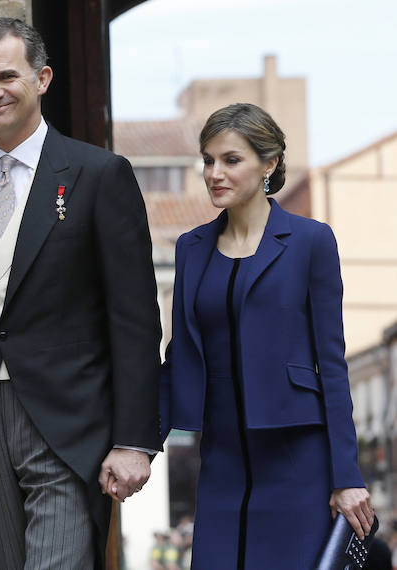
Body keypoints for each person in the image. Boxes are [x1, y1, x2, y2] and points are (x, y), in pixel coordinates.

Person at [0, 17, 162, 569]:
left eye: (6, 76)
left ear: (42, 79)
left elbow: (135, 319)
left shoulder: (99, 175)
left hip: (72, 423)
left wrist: (135, 439)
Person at [160, 103, 373, 569]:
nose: (214, 173)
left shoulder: (311, 241)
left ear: (269, 164)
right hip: (221, 459)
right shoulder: (192, 248)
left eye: (231, 160)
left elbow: (332, 365)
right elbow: (181, 357)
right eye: (208, 160)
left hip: (297, 457)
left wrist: (346, 476)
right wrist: (138, 443)